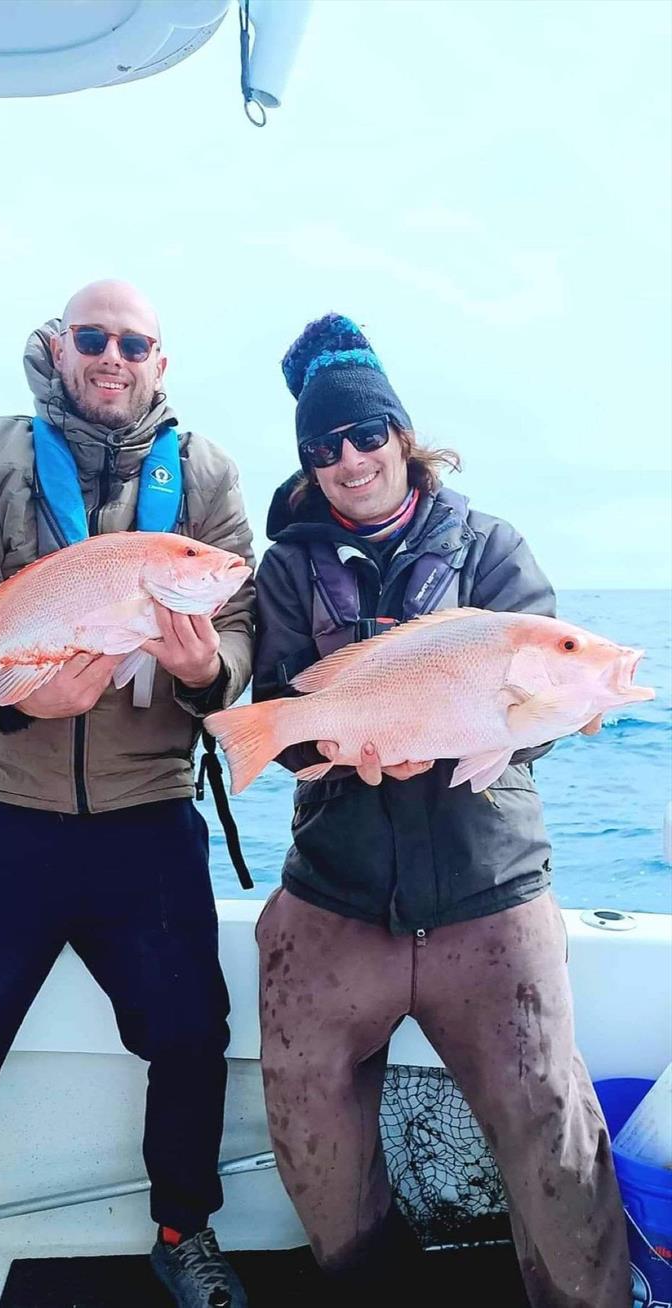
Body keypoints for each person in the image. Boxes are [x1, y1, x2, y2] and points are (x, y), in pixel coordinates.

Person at [251, 313, 630, 1307]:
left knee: (550, 1117)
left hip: (484, 889)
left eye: (365, 434)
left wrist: (547, 717)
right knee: (301, 1104)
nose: (349, 459)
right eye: (322, 446)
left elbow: (534, 709)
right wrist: (333, 747)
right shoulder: (285, 567)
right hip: (334, 894)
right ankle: (367, 1283)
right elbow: (281, 722)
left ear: (399, 434)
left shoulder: (491, 549)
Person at [0, 280, 254, 1308]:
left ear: (159, 361)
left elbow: (239, 622)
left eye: (132, 342)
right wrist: (10, 690)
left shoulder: (207, 476)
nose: (112, 356)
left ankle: (183, 1231)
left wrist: (202, 676)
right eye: (92, 338)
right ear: (58, 348)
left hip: (145, 819)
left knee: (190, 1031)